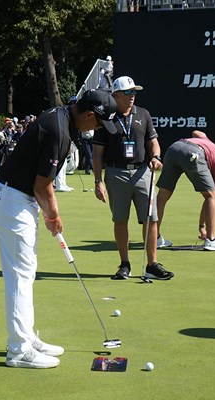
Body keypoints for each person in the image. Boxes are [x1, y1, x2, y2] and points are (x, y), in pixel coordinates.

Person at [0, 89, 117, 369]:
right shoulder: (59, 131)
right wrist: (54, 217)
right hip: (13, 201)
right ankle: (19, 350)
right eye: (98, 124)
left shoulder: (62, 119)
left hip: (17, 199)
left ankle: (25, 337)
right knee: (20, 275)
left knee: (27, 271)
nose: (96, 129)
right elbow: (41, 186)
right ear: (89, 115)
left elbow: (43, 184)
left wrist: (50, 212)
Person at [92, 75, 174, 280]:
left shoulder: (143, 114)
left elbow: (153, 141)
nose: (132, 96)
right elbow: (97, 153)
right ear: (116, 95)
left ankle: (152, 265)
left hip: (142, 172)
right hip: (115, 172)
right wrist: (98, 180)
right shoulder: (106, 118)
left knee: (151, 218)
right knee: (120, 219)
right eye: (128, 92)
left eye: (134, 92)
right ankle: (125, 264)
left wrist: (156, 157)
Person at [156, 130, 215, 251]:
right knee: (211, 196)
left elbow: (196, 133)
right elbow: (211, 198)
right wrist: (202, 228)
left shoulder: (210, 144)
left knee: (162, 196)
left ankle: (155, 238)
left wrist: (202, 226)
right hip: (193, 153)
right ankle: (212, 240)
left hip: (174, 148)